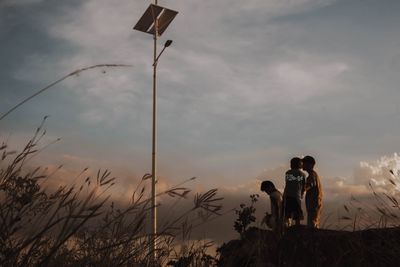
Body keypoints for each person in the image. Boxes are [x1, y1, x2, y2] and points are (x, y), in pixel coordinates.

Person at [283, 157, 306, 226]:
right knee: (297, 214)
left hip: (287, 195)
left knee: (286, 214)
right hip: (296, 196)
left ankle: (285, 227)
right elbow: (303, 186)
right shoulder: (302, 174)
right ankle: (297, 227)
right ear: (299, 164)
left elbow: (287, 183)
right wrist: (302, 194)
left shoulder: (287, 173)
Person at [303, 155, 323, 228]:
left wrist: (300, 190)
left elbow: (308, 185)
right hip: (314, 203)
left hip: (314, 203)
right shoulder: (313, 175)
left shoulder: (312, 175)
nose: (302, 164)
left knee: (312, 225)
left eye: (304, 162)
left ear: (310, 164)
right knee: (313, 223)